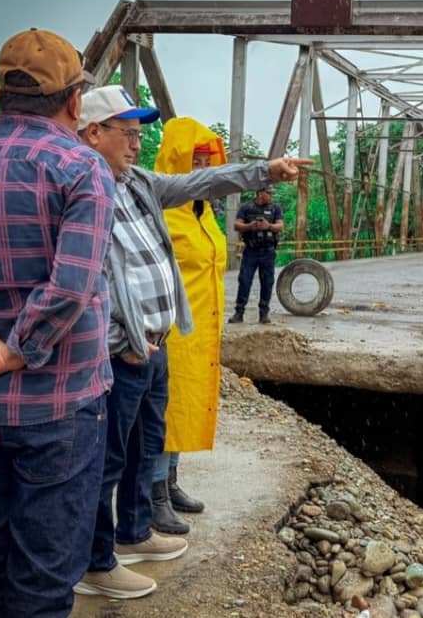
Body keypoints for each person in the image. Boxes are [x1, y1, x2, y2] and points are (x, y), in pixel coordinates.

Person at [74, 85, 312, 599]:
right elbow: (87, 276)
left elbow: (202, 181)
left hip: (154, 343)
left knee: (145, 444)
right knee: (108, 456)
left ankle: (133, 532)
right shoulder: (82, 187)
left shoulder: (136, 182)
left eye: (141, 135)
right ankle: (95, 562)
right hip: (123, 348)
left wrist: (266, 171)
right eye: (127, 134)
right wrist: (125, 338)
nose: (137, 144)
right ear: (93, 133)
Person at [0, 29, 114, 617]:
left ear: (1, 92)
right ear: (74, 100)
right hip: (57, 402)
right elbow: (71, 286)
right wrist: (15, 350)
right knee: (44, 568)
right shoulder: (81, 167)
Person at [149, 118, 230, 536]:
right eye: (195, 160)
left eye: (208, 161)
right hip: (171, 331)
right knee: (166, 412)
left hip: (200, 329)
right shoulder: (162, 209)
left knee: (184, 409)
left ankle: (171, 482)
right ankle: (153, 495)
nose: (203, 170)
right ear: (177, 160)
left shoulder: (202, 212)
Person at [229, 187, 284, 324]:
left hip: (268, 251)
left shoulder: (275, 208)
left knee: (267, 283)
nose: (271, 195)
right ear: (260, 193)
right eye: (269, 193)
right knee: (244, 281)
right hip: (251, 251)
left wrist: (268, 226)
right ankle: (239, 313)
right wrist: (250, 226)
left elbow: (280, 226)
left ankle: (264, 314)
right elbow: (236, 225)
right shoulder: (246, 207)